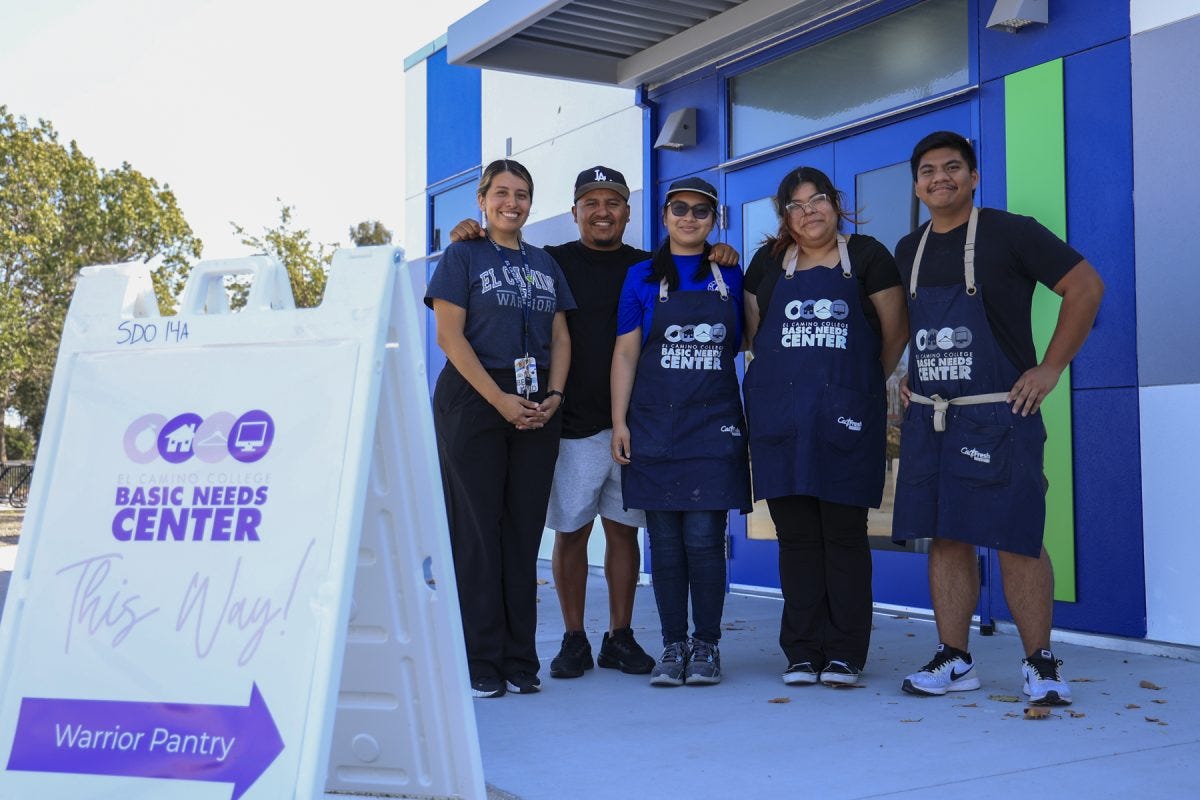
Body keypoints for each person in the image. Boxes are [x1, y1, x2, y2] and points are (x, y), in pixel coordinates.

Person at [448, 166, 739, 681]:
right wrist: (468, 232)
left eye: (613, 202)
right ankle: (574, 637)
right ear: (575, 210)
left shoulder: (652, 267)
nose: (603, 211)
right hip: (573, 422)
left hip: (641, 424)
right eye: (591, 202)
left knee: (625, 533)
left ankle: (619, 637)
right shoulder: (549, 262)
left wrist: (722, 253)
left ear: (629, 211)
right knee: (572, 532)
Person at [892, 132, 1103, 705]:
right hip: (935, 417)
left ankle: (1041, 663)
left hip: (1002, 412)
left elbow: (1085, 287)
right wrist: (909, 375)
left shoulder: (1013, 232)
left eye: (953, 167)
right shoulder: (907, 249)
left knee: (1019, 537)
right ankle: (956, 659)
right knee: (947, 536)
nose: (941, 178)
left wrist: (1050, 369)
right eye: (929, 170)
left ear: (975, 176)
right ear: (917, 184)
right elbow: (913, 330)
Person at [742, 167, 908, 688]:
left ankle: (844, 653)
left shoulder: (868, 256)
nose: (808, 211)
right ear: (784, 216)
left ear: (836, 204)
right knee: (795, 539)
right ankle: (801, 651)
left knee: (844, 537)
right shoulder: (767, 264)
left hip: (846, 420)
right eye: (796, 205)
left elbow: (895, 334)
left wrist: (854, 387)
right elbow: (752, 338)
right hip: (782, 422)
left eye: (817, 200)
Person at [425, 159, 575, 699]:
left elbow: (561, 335)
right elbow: (449, 337)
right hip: (474, 398)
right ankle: (480, 662)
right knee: (477, 534)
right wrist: (500, 402)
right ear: (483, 199)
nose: (513, 203)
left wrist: (553, 396)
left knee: (522, 534)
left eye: (523, 194)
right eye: (502, 193)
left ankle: (520, 660)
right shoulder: (461, 255)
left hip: (535, 404)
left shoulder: (544, 263)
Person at [611, 176, 751, 687]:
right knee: (665, 544)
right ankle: (673, 645)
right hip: (652, 424)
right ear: (665, 216)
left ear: (714, 220)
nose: (689, 218)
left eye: (700, 211)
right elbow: (626, 352)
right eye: (679, 209)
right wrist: (620, 421)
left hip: (713, 426)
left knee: (704, 540)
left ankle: (707, 645)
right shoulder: (640, 276)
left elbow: (749, 341)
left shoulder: (730, 274)